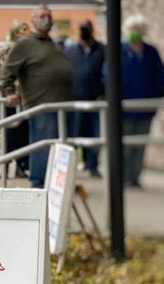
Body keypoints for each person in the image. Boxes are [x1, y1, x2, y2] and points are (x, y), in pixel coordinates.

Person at [0, 5, 74, 188]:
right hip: (41, 106)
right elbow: (6, 73)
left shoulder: (53, 45)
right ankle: (39, 185)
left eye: (49, 15)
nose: (47, 19)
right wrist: (9, 92)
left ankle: (57, 185)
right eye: (42, 16)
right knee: (42, 147)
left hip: (63, 107)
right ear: (33, 20)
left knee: (61, 149)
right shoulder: (24, 44)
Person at [121, 14, 164, 188]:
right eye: (133, 29)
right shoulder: (120, 52)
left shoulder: (150, 52)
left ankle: (134, 177)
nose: (135, 33)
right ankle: (123, 177)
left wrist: (155, 96)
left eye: (138, 30)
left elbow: (162, 75)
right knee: (124, 146)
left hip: (145, 108)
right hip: (125, 109)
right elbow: (109, 77)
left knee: (140, 145)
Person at [64, 20, 106, 178]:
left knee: (95, 135)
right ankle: (72, 168)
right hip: (76, 100)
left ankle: (93, 165)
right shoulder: (71, 51)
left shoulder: (101, 50)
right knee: (75, 135)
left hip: (96, 100)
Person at [0, 21, 31, 178]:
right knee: (9, 134)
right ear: (16, 32)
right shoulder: (5, 50)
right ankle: (6, 166)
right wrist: (6, 91)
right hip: (8, 101)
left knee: (23, 134)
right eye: (23, 30)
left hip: (26, 101)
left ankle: (21, 166)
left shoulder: (29, 51)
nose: (27, 33)